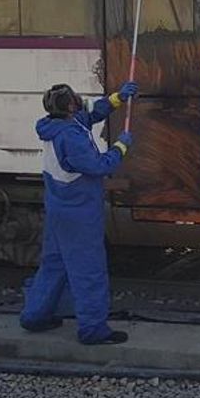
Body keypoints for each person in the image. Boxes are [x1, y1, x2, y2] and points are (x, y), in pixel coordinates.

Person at [20, 80, 139, 345]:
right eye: (76, 98)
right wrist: (121, 147)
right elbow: (98, 166)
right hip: (79, 214)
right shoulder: (71, 137)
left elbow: (92, 114)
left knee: (53, 265)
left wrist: (117, 98)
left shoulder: (56, 126)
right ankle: (93, 330)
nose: (80, 100)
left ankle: (35, 315)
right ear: (71, 105)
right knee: (88, 270)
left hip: (59, 209)